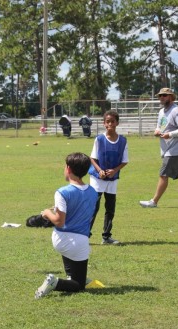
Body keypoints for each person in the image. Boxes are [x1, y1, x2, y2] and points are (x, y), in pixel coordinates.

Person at [34, 152, 98, 298]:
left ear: (68, 169)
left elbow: (59, 221)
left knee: (77, 280)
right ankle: (57, 282)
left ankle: (64, 278)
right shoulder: (93, 192)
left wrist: (46, 213)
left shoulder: (62, 192)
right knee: (79, 285)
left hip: (61, 238)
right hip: (78, 241)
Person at [140, 88, 178, 209]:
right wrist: (157, 131)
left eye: (164, 95)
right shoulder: (162, 111)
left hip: (175, 149)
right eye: (160, 96)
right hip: (169, 149)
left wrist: (170, 134)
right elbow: (160, 126)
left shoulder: (176, 111)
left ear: (171, 97)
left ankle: (154, 201)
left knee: (163, 174)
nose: (161, 97)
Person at [88, 110, 128, 245]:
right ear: (104, 123)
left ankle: (106, 236)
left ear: (117, 123)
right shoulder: (99, 139)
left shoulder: (122, 141)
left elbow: (124, 161)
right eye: (107, 121)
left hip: (112, 178)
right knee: (94, 207)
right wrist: (99, 170)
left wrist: (114, 170)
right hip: (97, 178)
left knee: (110, 208)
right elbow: (92, 158)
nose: (110, 124)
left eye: (112, 121)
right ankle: (85, 235)